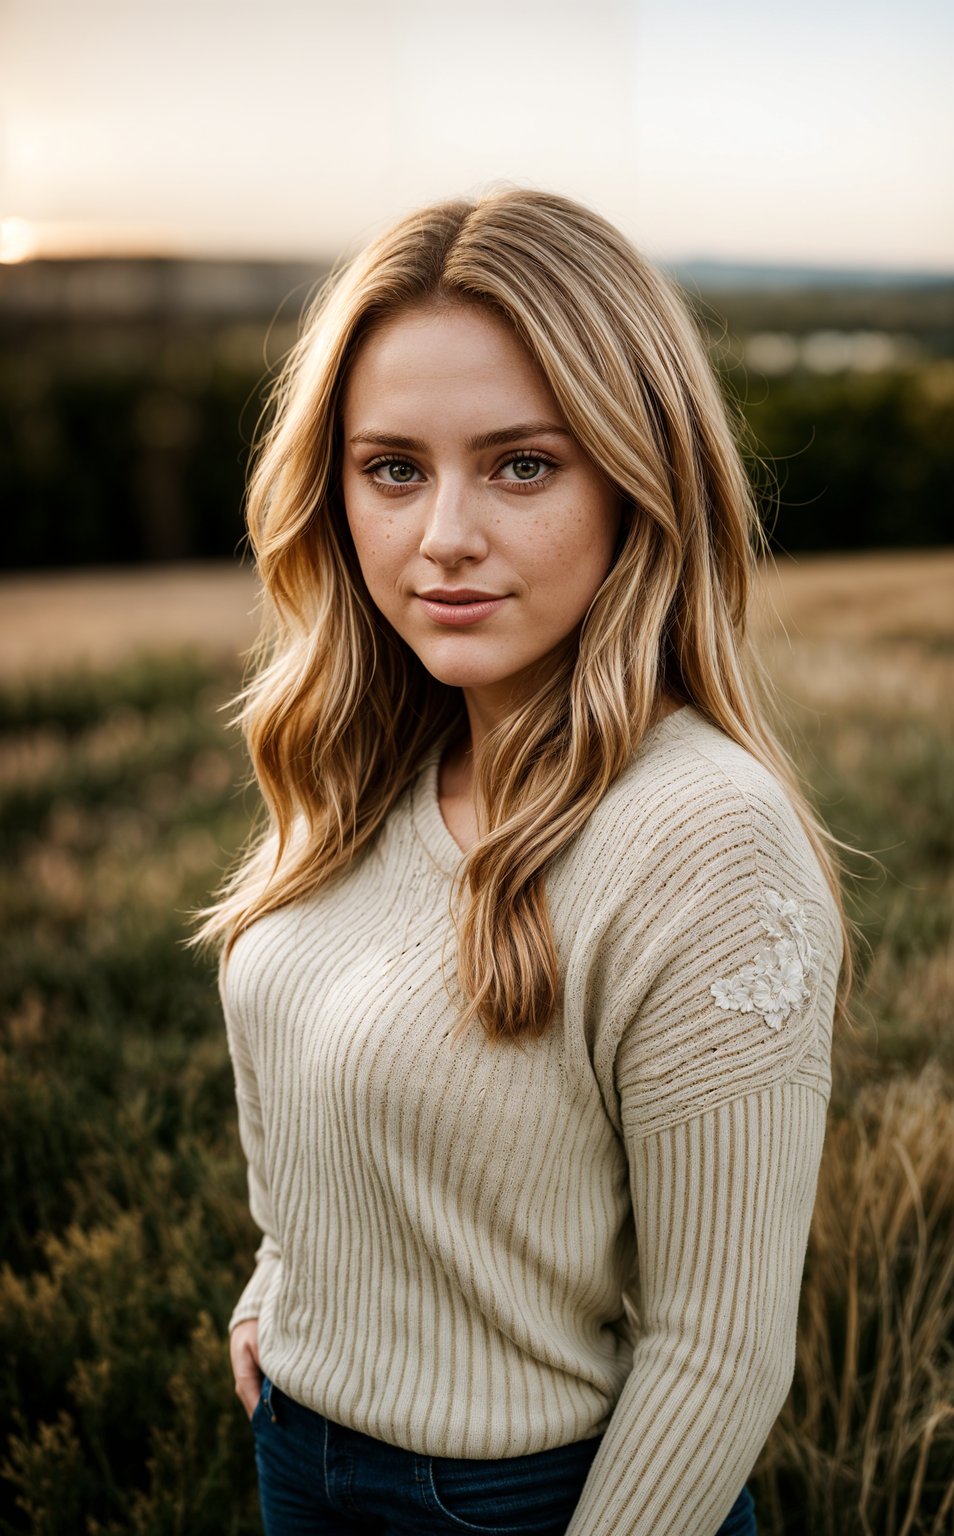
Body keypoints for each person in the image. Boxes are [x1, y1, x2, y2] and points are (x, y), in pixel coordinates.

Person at [192, 187, 851, 1536]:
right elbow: (312, 1068)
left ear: (638, 479)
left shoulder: (699, 837)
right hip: (300, 1460)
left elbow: (717, 1357)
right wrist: (283, 1281)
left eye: (521, 465)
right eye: (392, 468)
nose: (443, 536)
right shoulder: (365, 761)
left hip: (528, 1504)